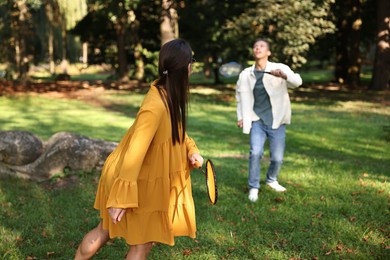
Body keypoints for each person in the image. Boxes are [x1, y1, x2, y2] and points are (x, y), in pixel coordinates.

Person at [75, 39, 204, 259]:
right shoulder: (155, 105)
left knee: (106, 231)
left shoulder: (167, 94)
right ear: (186, 67)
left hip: (143, 177)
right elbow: (135, 151)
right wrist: (121, 198)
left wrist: (191, 149)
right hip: (132, 180)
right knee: (140, 244)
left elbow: (178, 131)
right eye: (191, 61)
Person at [235, 38, 302, 202]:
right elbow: (239, 97)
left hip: (277, 120)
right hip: (256, 120)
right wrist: (241, 116)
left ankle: (272, 179)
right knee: (255, 153)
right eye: (255, 46)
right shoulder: (245, 74)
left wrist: (285, 76)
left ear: (268, 52)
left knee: (277, 158)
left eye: (262, 46)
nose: (257, 48)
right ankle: (253, 187)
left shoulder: (279, 68)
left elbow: (297, 82)